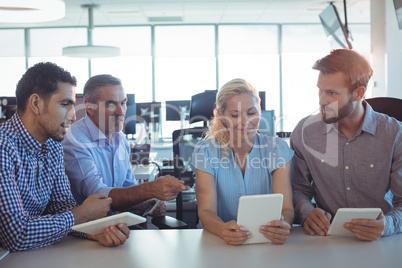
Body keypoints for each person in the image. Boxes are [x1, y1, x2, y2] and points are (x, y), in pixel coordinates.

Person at [0, 62, 130, 252]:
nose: (73, 116)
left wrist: (92, 231)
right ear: (36, 103)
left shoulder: (53, 145)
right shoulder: (3, 146)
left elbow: (61, 205)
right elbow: (17, 235)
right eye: (64, 104)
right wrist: (83, 213)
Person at [291, 48, 402, 241]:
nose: (322, 101)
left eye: (332, 93)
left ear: (359, 94)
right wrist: (306, 211)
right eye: (320, 90)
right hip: (327, 240)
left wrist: (387, 225)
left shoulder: (395, 134)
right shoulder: (305, 132)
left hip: (382, 240)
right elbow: (298, 189)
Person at [62, 74, 189, 217]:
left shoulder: (120, 139)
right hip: (87, 232)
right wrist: (149, 190)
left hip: (118, 226)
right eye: (111, 104)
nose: (121, 112)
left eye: (123, 103)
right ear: (89, 107)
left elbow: (128, 188)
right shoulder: (75, 140)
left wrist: (146, 203)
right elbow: (98, 196)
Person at [192, 78, 294, 245]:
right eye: (235, 115)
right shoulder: (206, 152)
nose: (245, 121)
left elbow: (287, 208)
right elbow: (206, 211)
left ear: (260, 112)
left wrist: (284, 224)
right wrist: (222, 230)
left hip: (266, 243)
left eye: (252, 113)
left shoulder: (277, 149)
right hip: (219, 243)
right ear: (221, 116)